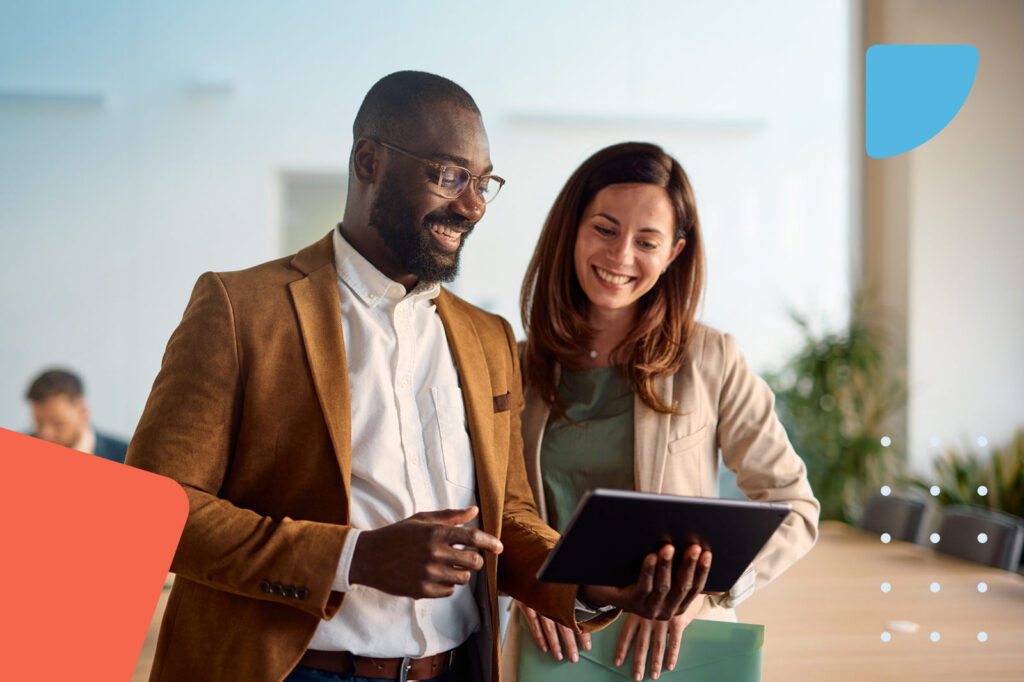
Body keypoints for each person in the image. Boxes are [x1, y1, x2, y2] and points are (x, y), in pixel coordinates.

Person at [126, 74, 710, 682]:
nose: (474, 205)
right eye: (448, 175)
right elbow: (155, 513)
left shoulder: (486, 336)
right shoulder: (240, 307)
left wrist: (588, 582)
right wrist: (355, 557)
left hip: (453, 670)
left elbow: (506, 517)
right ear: (368, 160)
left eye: (483, 183)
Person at [508, 142, 820, 681]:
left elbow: (795, 506)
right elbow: (491, 516)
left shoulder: (711, 357)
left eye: (646, 240)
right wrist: (535, 588)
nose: (621, 256)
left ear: (673, 252)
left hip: (679, 651)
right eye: (604, 229)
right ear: (572, 230)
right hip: (555, 649)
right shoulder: (513, 366)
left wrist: (701, 596)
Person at [26, 368, 128, 463]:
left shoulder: (126, 457)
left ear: (83, 412)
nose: (46, 434)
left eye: (58, 424)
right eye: (39, 423)